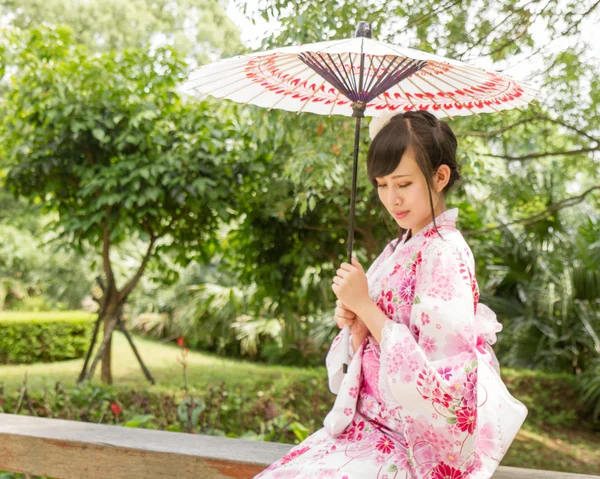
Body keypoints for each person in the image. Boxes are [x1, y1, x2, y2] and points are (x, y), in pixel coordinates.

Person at [254, 110, 527, 479]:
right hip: (370, 426)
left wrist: (366, 307)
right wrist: (357, 323)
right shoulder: (399, 246)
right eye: (382, 184)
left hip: (410, 443)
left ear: (440, 176)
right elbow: (375, 337)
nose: (391, 199)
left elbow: (442, 379)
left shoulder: (445, 252)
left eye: (403, 183)